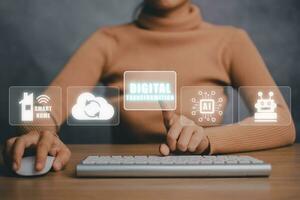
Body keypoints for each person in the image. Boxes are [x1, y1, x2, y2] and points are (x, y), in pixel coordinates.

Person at [3, 0, 295, 172]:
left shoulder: (231, 41)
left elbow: (281, 123)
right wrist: (38, 134)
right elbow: (47, 105)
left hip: (208, 182)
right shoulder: (108, 41)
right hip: (127, 183)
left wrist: (208, 140)